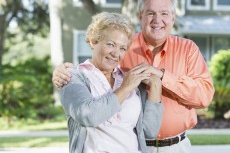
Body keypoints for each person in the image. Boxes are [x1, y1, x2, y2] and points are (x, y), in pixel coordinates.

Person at [53, 0, 215, 153]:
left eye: (164, 13)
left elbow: (204, 97)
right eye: (151, 13)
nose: (157, 20)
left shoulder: (187, 49)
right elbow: (95, 70)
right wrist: (62, 72)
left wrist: (162, 76)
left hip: (176, 146)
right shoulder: (125, 45)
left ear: (173, 18)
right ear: (140, 17)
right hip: (140, 145)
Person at [56, 12, 163, 153]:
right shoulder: (73, 77)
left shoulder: (129, 79)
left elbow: (149, 131)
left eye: (122, 48)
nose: (116, 53)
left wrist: (156, 85)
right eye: (111, 44)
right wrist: (126, 87)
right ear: (93, 41)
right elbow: (88, 116)